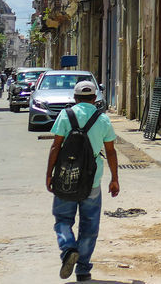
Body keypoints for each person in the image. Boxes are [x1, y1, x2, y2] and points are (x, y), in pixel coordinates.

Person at [45, 80, 119, 282]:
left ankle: (68, 248)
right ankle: (83, 269)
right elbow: (111, 151)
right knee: (89, 225)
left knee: (62, 220)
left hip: (65, 178)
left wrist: (49, 174)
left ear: (75, 98)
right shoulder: (102, 119)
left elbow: (56, 146)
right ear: (95, 99)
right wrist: (114, 179)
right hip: (92, 180)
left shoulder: (65, 115)